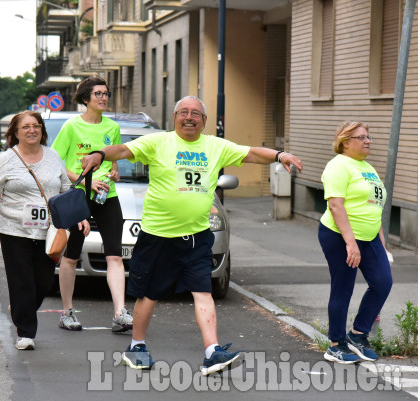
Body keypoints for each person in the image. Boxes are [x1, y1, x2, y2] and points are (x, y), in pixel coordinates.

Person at [81, 95, 304, 374]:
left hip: (197, 236)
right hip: (158, 236)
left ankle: (212, 352)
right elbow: (123, 151)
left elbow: (250, 154)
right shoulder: (158, 141)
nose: (189, 117)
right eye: (183, 112)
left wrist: (280, 155)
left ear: (204, 121)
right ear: (174, 118)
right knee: (149, 295)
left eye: (195, 113)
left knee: (202, 291)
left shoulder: (214, 146)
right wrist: (100, 154)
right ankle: (137, 345)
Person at [0, 111, 90, 350]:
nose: (32, 130)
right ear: (15, 132)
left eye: (36, 126)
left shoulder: (53, 156)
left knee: (43, 282)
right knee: (22, 282)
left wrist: (79, 217)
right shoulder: (6, 159)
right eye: (26, 126)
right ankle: (25, 333)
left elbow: (65, 189)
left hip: (48, 232)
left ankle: (20, 307)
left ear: (42, 130)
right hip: (13, 230)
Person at [52, 76, 133, 333]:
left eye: (106, 93)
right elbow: (56, 163)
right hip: (79, 198)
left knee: (115, 255)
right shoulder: (71, 127)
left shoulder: (112, 127)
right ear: (85, 98)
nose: (103, 97)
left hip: (107, 197)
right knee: (71, 257)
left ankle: (120, 313)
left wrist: (115, 173)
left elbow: (112, 160)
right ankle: (67, 312)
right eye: (98, 93)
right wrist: (84, 179)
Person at [318, 121, 392, 364]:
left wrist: (382, 245)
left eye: (368, 136)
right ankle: (336, 344)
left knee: (382, 282)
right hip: (339, 235)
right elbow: (335, 206)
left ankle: (358, 334)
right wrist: (351, 244)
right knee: (344, 287)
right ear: (345, 142)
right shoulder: (338, 166)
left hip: (369, 237)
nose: (368, 140)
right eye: (361, 137)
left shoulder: (368, 168)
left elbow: (374, 208)